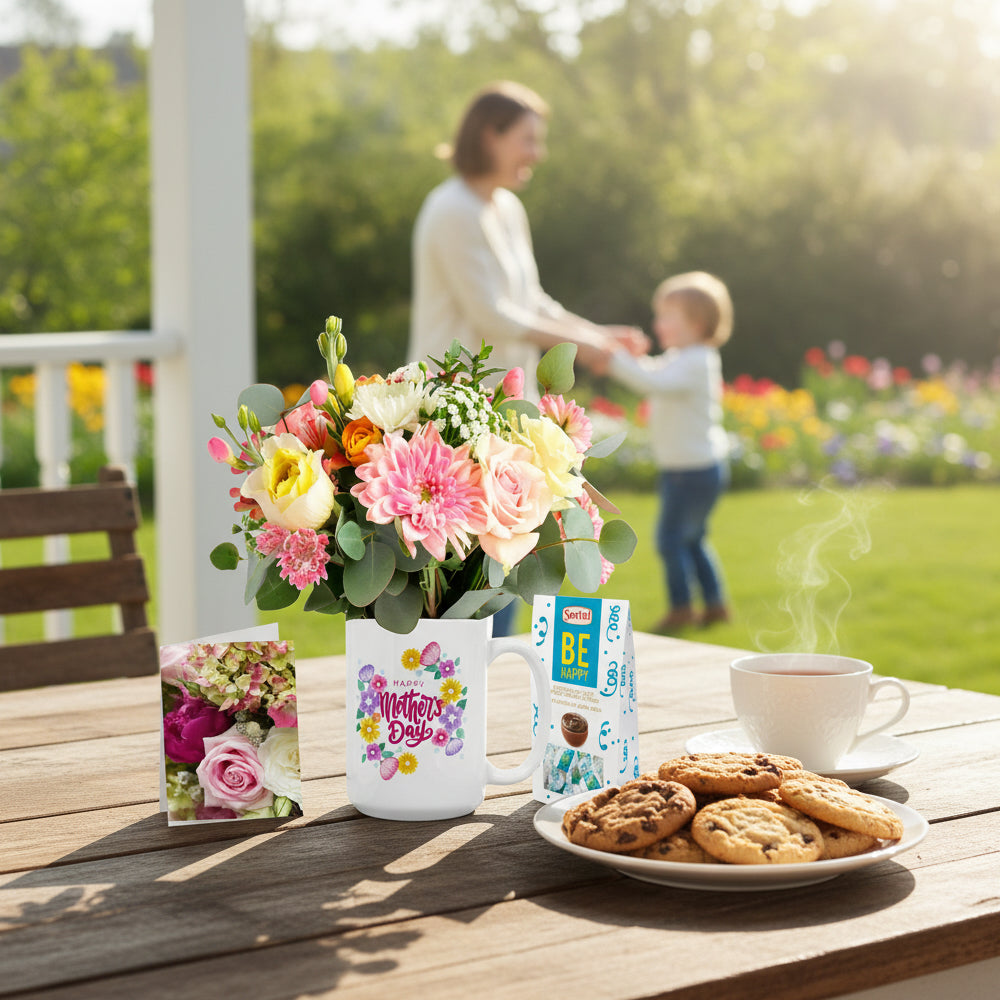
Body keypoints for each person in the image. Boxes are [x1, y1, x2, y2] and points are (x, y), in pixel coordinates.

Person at [409, 81, 645, 635]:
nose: (536, 154)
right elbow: (492, 315)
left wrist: (596, 334)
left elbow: (532, 301)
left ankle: (495, 676)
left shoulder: (507, 208)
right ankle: (461, 685)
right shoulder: (451, 210)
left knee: (513, 552)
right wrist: (580, 347)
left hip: (511, 409)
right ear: (489, 136)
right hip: (457, 409)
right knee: (470, 570)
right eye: (527, 140)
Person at [588, 271, 733, 633]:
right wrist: (630, 358)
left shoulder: (697, 360)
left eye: (668, 316)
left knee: (671, 540)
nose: (658, 323)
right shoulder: (685, 356)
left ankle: (682, 608)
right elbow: (654, 372)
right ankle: (715, 604)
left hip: (691, 471)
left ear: (697, 323)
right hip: (694, 468)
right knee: (693, 539)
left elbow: (653, 382)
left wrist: (615, 358)